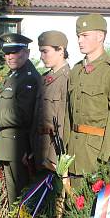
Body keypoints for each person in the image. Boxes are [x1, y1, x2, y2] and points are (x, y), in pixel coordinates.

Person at [63, 14, 110, 175]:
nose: (80, 40)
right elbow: (68, 115)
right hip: (73, 155)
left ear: (100, 36)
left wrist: (109, 159)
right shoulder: (76, 71)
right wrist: (65, 149)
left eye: (85, 36)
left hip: (97, 157)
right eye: (78, 36)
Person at [0, 33, 40, 202]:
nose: (9, 57)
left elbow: (23, 115)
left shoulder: (28, 77)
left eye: (14, 52)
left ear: (26, 53)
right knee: (14, 199)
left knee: (21, 199)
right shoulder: (14, 76)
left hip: (19, 147)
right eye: (7, 53)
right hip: (10, 147)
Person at [31, 30, 70, 172]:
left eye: (45, 51)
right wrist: (31, 149)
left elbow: (63, 122)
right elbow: (36, 118)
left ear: (60, 50)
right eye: (40, 52)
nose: (41, 57)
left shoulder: (68, 79)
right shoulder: (44, 79)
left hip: (53, 153)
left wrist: (54, 158)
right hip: (39, 149)